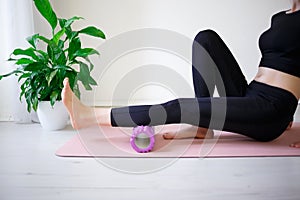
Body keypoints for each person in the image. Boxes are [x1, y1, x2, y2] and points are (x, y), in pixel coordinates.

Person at [62, 0, 300, 147]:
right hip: (251, 93)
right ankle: (201, 128)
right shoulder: (281, 17)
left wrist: (288, 111)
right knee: (206, 39)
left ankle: (89, 117)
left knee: (180, 107)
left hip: (271, 110)